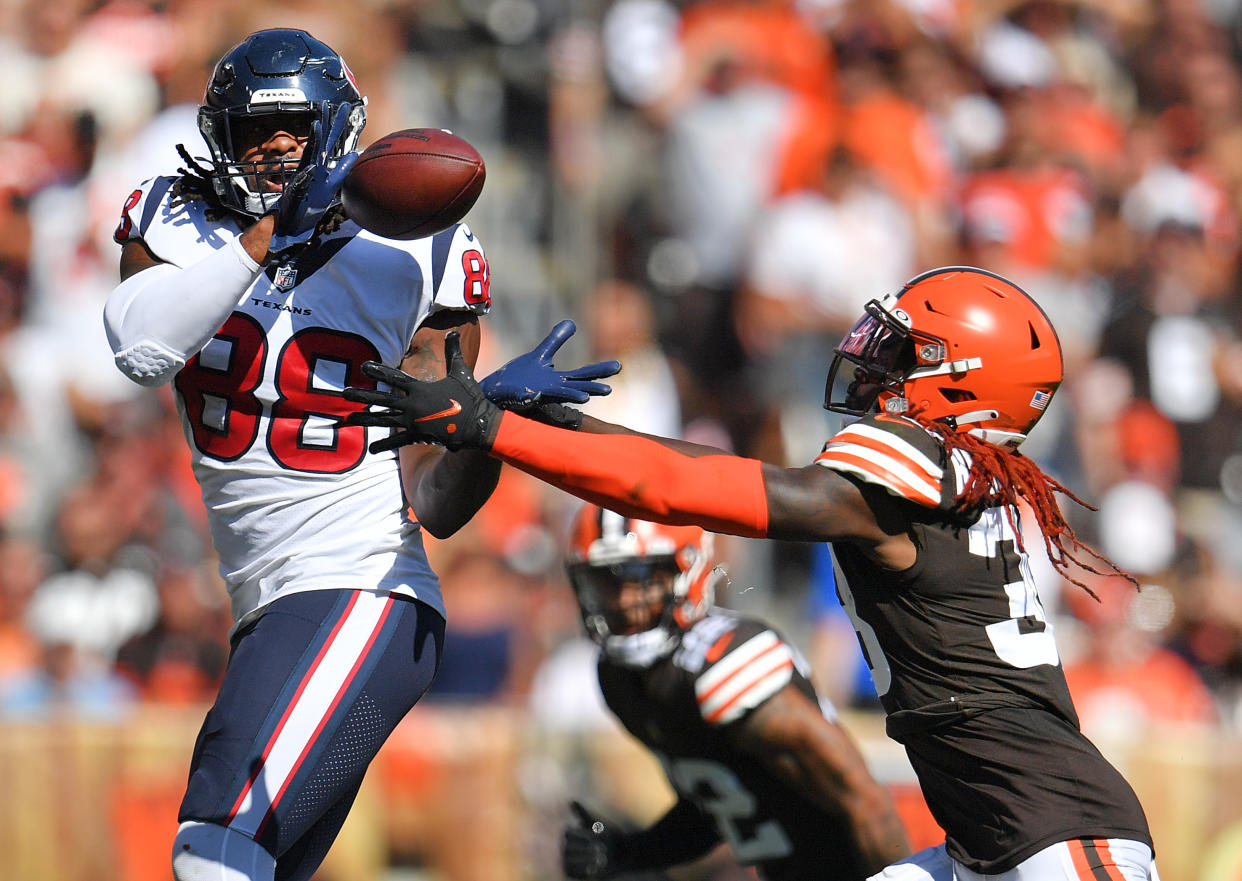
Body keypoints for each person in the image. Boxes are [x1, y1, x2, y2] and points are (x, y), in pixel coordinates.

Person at [343, 266, 1161, 881]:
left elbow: (688, 487)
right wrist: (554, 428)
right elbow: (690, 470)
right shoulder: (955, 483)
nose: (874, 363)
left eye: (907, 351)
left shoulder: (909, 476)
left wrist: (497, 430)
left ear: (962, 382)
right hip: (992, 838)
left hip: (1057, 836)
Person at [102, 28, 616, 881]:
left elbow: (441, 506)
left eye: (298, 129)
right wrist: (268, 238)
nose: (276, 148)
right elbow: (139, 349)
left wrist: (485, 428)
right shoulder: (173, 215)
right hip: (265, 604)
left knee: (213, 849)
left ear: (338, 130)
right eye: (256, 131)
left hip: (365, 585)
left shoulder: (426, 248)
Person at [558, 503, 910, 881]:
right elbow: (720, 805)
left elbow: (866, 801)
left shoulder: (726, 665)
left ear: (686, 570)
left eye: (641, 577)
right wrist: (628, 851)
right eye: (607, 582)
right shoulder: (621, 680)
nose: (625, 601)